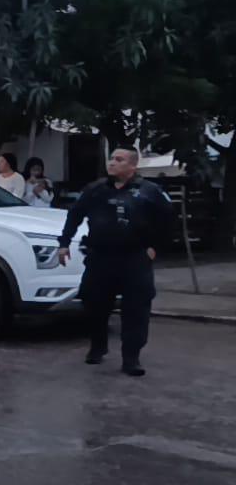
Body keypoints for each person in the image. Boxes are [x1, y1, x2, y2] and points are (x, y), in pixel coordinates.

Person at [58, 148, 172, 377]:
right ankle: (98, 345)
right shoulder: (96, 190)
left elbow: (167, 220)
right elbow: (75, 214)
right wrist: (64, 242)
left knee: (136, 309)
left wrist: (155, 247)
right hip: (100, 256)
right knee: (94, 303)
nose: (112, 163)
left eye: (118, 160)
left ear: (132, 166)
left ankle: (131, 358)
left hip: (134, 258)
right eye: (111, 159)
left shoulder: (149, 192)